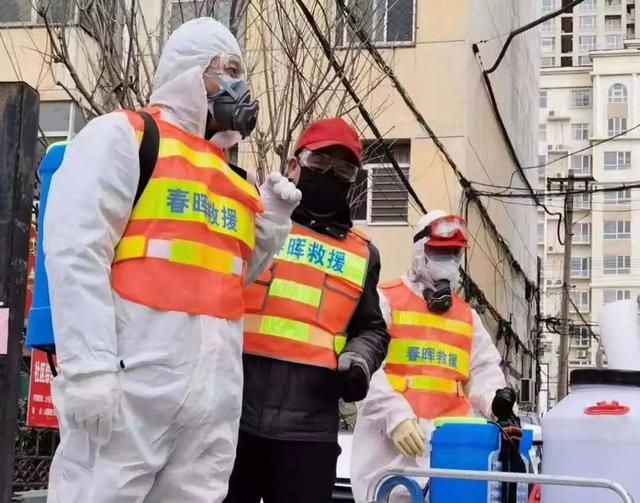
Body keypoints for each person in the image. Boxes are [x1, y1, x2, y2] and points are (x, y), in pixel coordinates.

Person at [44, 18, 301, 503]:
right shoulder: (125, 136)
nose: (238, 86)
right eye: (226, 70)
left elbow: (233, 275)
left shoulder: (233, 179)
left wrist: (271, 224)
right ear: (189, 70)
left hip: (212, 399)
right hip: (132, 384)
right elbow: (77, 249)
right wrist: (88, 368)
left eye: (240, 73)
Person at [224, 118, 390, 503]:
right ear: (294, 165)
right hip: (232, 415)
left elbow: (372, 329)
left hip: (309, 433)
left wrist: (358, 361)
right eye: (320, 162)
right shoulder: (257, 221)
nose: (331, 174)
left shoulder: (363, 253)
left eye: (344, 169)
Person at [350, 210, 521, 503]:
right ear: (420, 251)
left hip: (450, 452)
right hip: (393, 448)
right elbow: (366, 368)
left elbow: (484, 371)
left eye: (454, 253)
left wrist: (497, 402)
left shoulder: (467, 317)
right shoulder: (385, 300)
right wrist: (394, 416)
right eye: (440, 252)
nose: (449, 261)